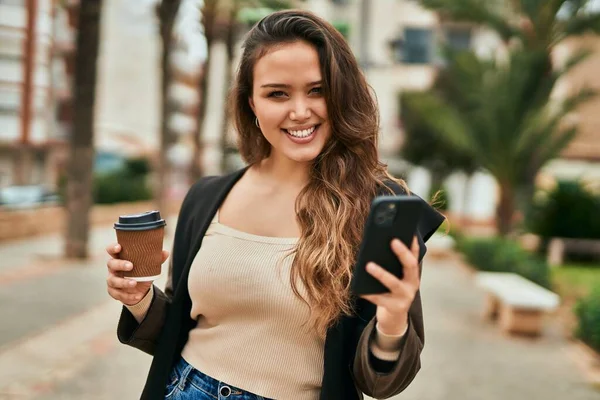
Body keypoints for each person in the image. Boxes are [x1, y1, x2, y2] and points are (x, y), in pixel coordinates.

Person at [106, 9, 444, 400]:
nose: (300, 111)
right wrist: (139, 299)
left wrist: (394, 319)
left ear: (341, 94)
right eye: (277, 93)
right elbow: (176, 329)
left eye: (317, 90)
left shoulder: (380, 209)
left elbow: (380, 382)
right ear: (251, 102)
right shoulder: (206, 197)